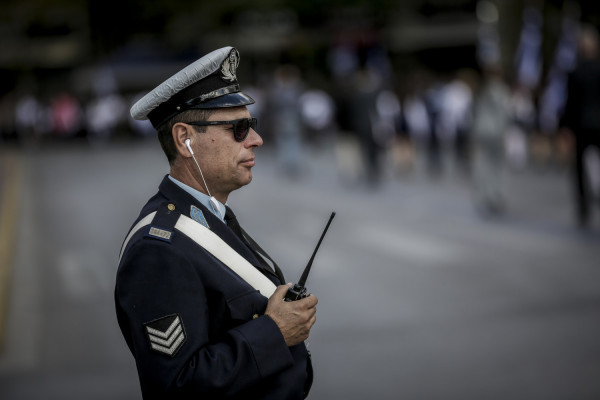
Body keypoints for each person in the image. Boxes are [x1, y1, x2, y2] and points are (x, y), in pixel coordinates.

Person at [115, 46, 318, 399]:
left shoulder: (208, 213)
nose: (256, 139)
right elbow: (177, 386)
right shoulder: (157, 250)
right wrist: (274, 331)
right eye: (238, 128)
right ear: (185, 139)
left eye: (251, 125)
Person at [560, 25, 600, 227]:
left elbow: (569, 104)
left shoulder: (574, 72)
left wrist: (566, 128)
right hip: (593, 125)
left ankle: (584, 207)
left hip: (581, 127)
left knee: (579, 170)